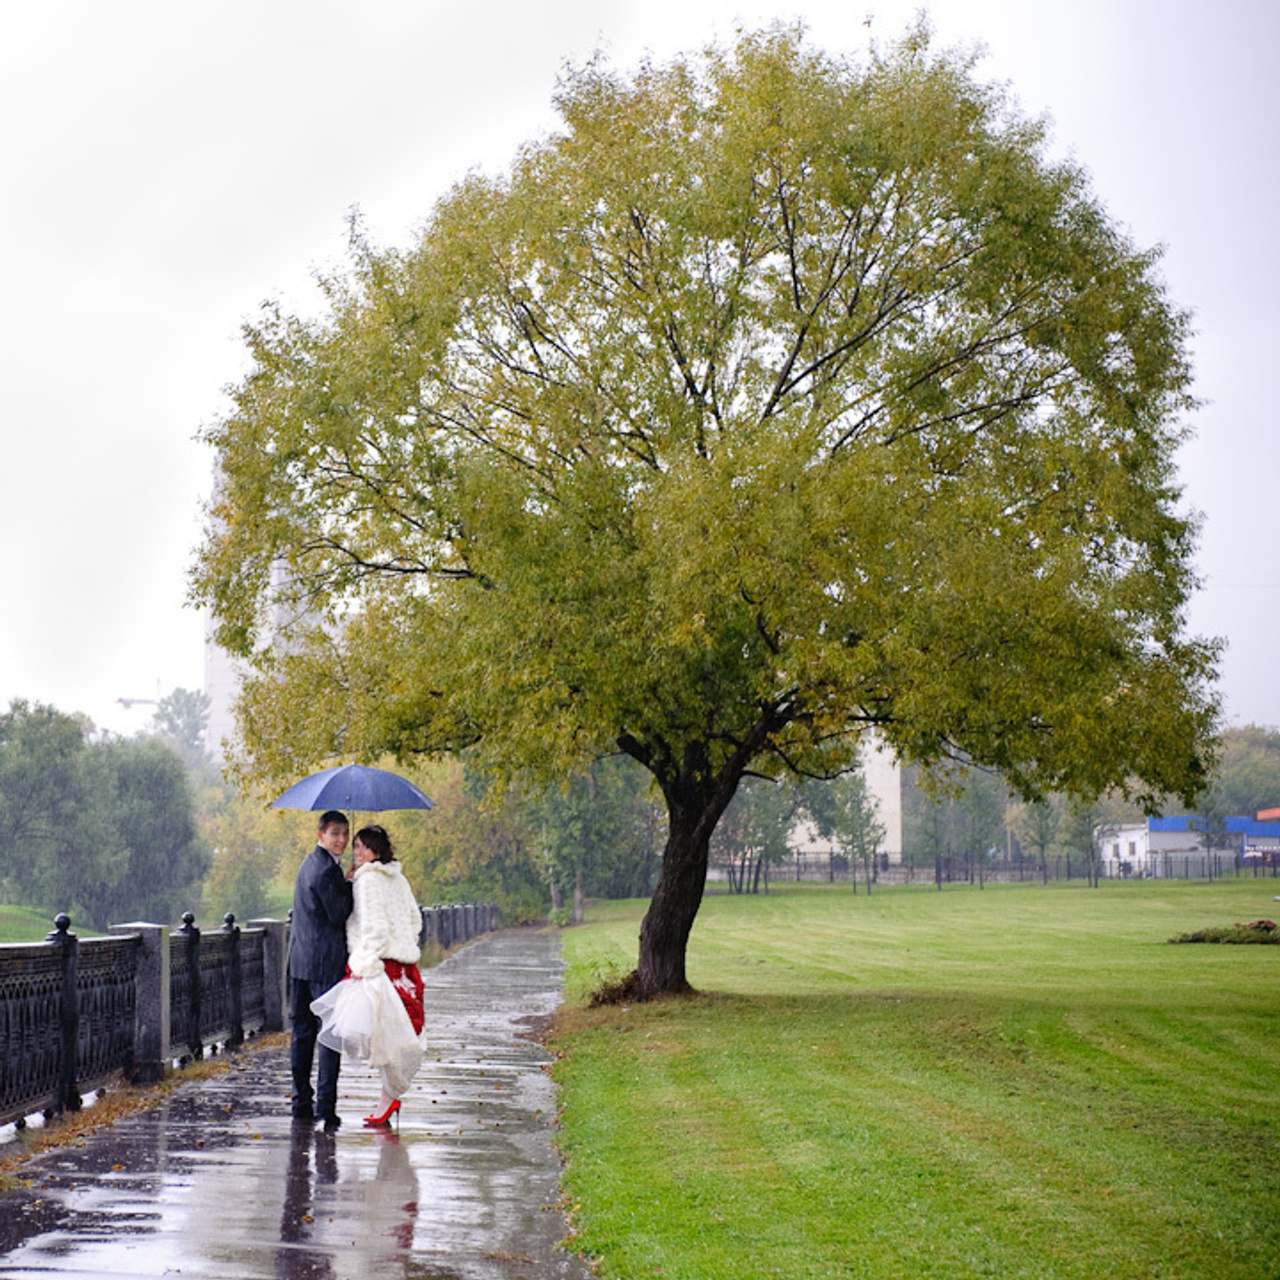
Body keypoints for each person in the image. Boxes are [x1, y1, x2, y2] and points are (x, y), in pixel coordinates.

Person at [312, 824, 426, 1127]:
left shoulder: (368, 880)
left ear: (376, 850)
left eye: (363, 847)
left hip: (378, 966)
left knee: (374, 1037)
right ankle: (387, 1101)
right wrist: (405, 943)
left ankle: (387, 1101)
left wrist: (362, 963)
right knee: (397, 1037)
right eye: (356, 847)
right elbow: (416, 919)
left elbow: (373, 929)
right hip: (405, 967)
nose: (357, 852)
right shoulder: (397, 877)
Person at [287, 810, 354, 1129]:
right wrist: (351, 883)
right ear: (321, 835)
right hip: (324, 965)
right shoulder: (328, 871)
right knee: (329, 1035)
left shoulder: (308, 864)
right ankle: (325, 1106)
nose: (341, 840)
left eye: (345, 834)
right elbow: (338, 913)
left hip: (299, 961)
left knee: (302, 1034)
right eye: (335, 834)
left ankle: (301, 1101)